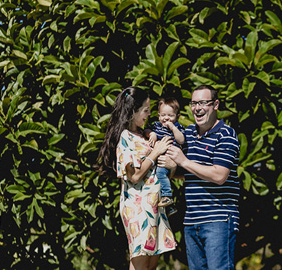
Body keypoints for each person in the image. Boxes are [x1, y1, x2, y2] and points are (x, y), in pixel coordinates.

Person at [95, 86, 179, 270]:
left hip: (155, 205)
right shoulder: (126, 137)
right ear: (133, 112)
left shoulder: (145, 135)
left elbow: (157, 173)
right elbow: (134, 176)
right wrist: (155, 152)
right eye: (146, 110)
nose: (149, 114)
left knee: (150, 266)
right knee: (140, 263)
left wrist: (171, 168)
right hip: (138, 207)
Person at [165, 85, 241, 270]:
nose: (197, 108)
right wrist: (171, 169)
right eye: (193, 103)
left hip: (218, 219)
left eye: (202, 103)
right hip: (192, 220)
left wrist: (183, 161)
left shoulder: (226, 134)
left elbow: (219, 175)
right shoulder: (188, 134)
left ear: (215, 105)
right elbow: (190, 172)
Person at [147, 97, 186, 208]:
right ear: (159, 115)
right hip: (159, 158)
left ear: (177, 117)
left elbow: (181, 140)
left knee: (160, 174)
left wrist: (173, 128)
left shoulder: (178, 128)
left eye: (170, 116)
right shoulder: (156, 126)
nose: (166, 118)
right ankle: (169, 207)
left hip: (169, 158)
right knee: (156, 181)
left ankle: (167, 196)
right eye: (163, 115)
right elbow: (146, 130)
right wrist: (152, 134)